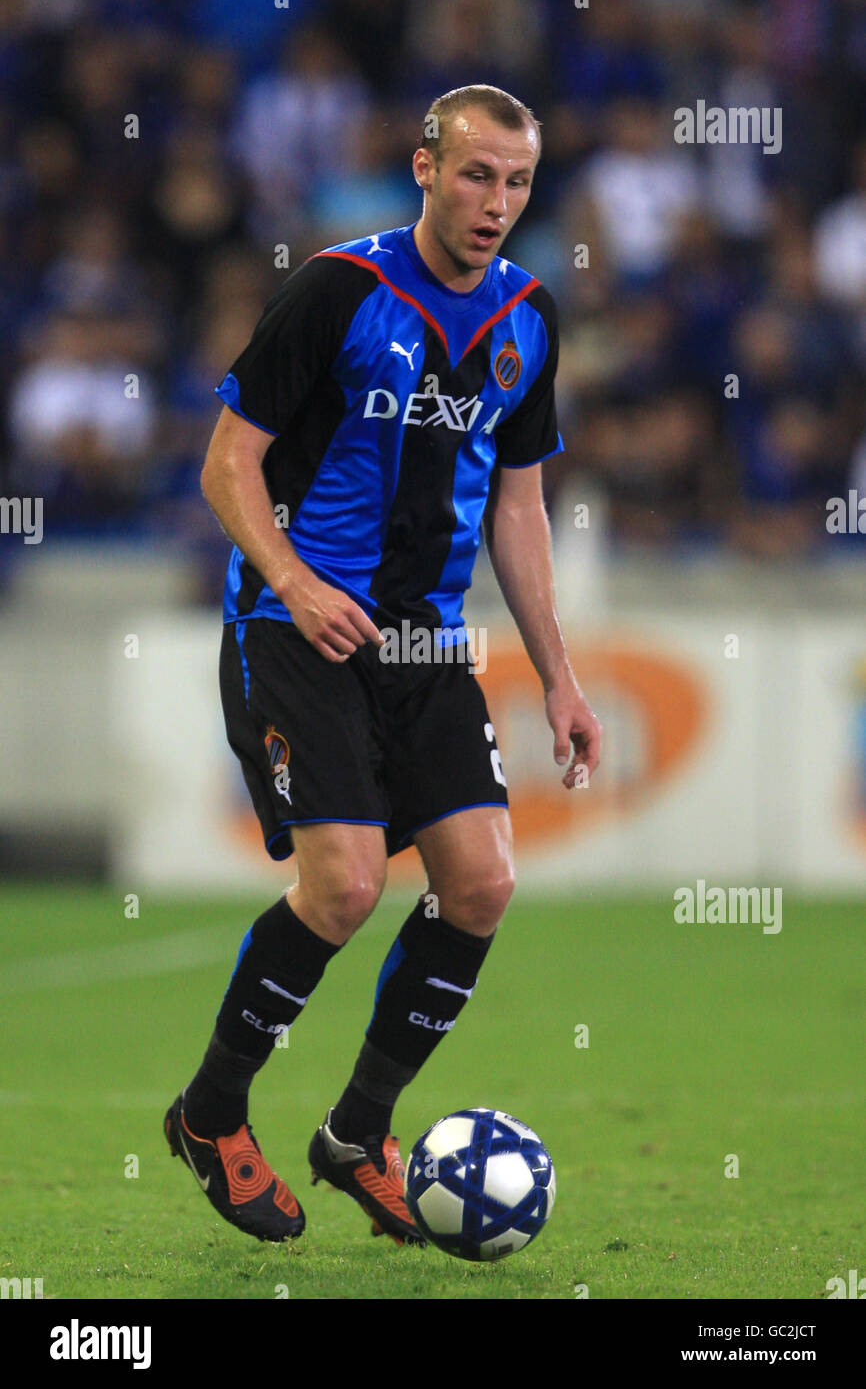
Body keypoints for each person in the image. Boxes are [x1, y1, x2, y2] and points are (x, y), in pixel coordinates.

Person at [164, 83, 602, 1246]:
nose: (494, 203)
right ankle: (212, 1114)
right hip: (295, 629)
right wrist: (298, 581)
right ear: (422, 168)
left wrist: (558, 674)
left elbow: (519, 507)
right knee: (348, 885)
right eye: (473, 174)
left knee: (481, 884)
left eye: (514, 182)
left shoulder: (526, 318)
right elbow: (226, 464)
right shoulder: (335, 289)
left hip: (423, 645)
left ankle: (357, 1135)